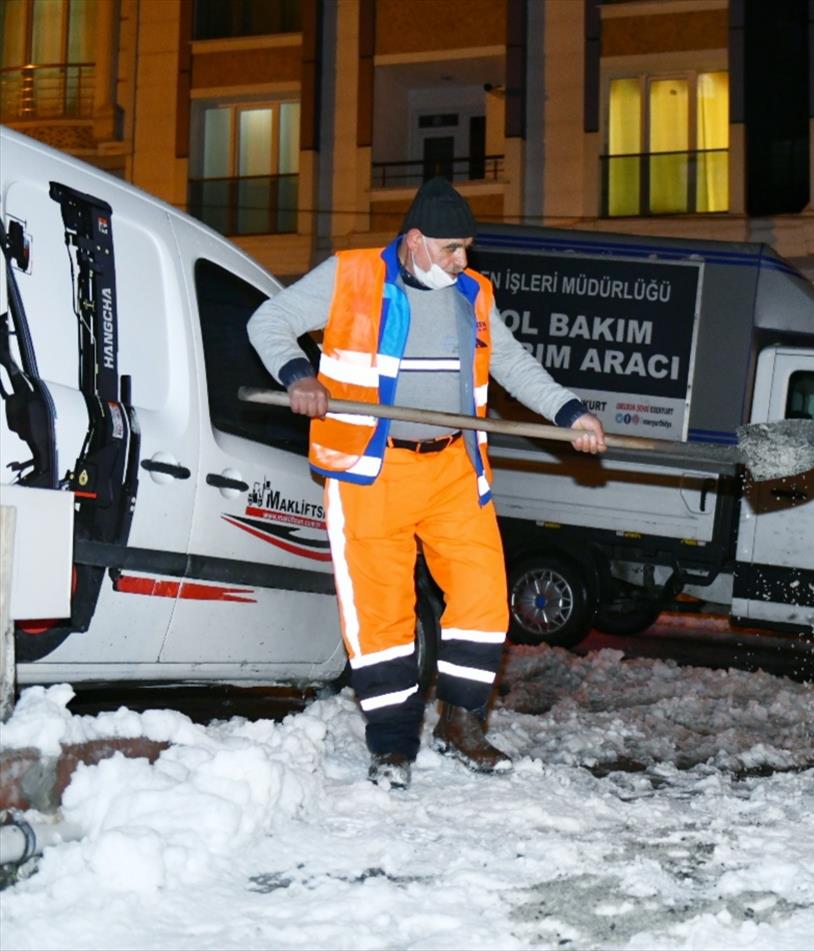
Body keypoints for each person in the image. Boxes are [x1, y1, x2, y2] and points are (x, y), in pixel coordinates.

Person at [247, 177, 606, 789]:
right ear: (413, 241)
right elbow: (269, 320)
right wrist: (298, 375)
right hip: (372, 468)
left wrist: (570, 414)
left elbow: (513, 363)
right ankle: (391, 746)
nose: (462, 260)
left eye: (466, 247)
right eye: (450, 248)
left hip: (452, 469)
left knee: (485, 596)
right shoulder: (351, 275)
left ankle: (461, 724)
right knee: (381, 614)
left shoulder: (473, 292)